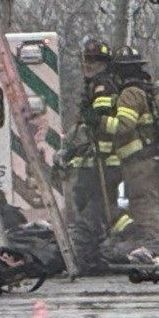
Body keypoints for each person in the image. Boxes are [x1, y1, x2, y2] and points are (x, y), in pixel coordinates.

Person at [65, 38, 126, 274]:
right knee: (83, 199)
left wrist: (94, 120)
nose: (91, 65)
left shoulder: (103, 86)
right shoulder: (91, 86)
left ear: (105, 64)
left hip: (106, 161)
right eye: (87, 60)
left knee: (96, 207)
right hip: (93, 161)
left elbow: (100, 119)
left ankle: (91, 253)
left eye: (97, 61)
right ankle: (99, 249)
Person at [109, 47, 159, 265]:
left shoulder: (130, 94)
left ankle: (157, 246)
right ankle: (155, 244)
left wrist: (100, 124)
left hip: (140, 160)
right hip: (154, 158)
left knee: (142, 203)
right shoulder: (146, 90)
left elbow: (125, 125)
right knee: (149, 202)